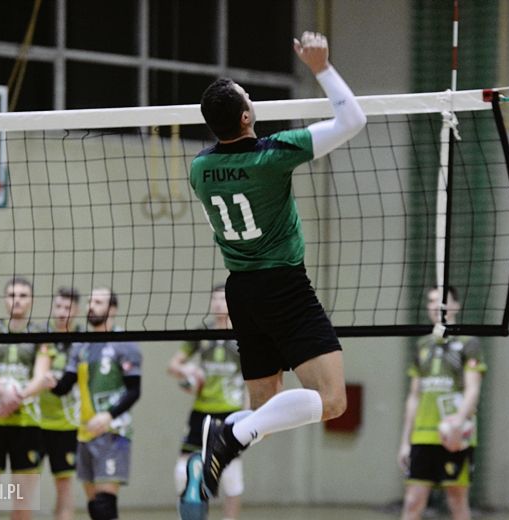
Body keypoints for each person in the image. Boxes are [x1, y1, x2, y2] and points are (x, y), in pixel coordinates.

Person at [189, 31, 366, 499]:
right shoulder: (273, 155)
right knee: (332, 402)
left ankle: (226, 433)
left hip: (241, 292)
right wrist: (322, 66)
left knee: (263, 409)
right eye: (249, 97)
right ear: (247, 115)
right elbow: (352, 119)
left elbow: (231, 158)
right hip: (284, 286)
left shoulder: (200, 171)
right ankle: (229, 434)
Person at [48, 288, 142, 520]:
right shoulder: (81, 345)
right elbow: (64, 387)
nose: (91, 306)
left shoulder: (124, 344)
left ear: (112, 309)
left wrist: (108, 415)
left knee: (104, 505)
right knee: (94, 508)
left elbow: (134, 391)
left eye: (98, 302)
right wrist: (50, 382)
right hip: (85, 432)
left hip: (113, 432)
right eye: (90, 301)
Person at [397, 287, 486, 520]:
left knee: (457, 500)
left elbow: (473, 388)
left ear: (456, 306)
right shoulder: (422, 345)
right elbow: (414, 395)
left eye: (442, 301)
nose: (436, 306)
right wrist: (405, 441)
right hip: (422, 436)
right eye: (431, 301)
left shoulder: (469, 343)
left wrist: (458, 421)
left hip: (455, 436)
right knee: (412, 502)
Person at [0, 277, 51, 520]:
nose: (17, 300)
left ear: (31, 301)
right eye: (12, 295)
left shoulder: (41, 334)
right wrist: (4, 393)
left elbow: (41, 376)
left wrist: (15, 398)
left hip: (26, 424)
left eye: (23, 295)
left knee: (23, 505)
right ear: (5, 299)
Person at [167, 284, 246, 520]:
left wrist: (251, 411)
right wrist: (187, 370)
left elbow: (252, 379)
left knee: (231, 473)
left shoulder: (243, 336)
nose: (218, 304)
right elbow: (173, 365)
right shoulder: (202, 333)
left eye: (223, 299)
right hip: (201, 412)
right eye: (215, 299)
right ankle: (191, 514)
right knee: (183, 470)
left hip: (231, 412)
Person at [39, 287, 81, 520]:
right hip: (36, 422)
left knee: (64, 485)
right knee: (27, 483)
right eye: (59, 306)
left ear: (76, 310)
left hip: (66, 424)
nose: (62, 312)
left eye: (68, 307)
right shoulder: (39, 337)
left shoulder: (81, 341)